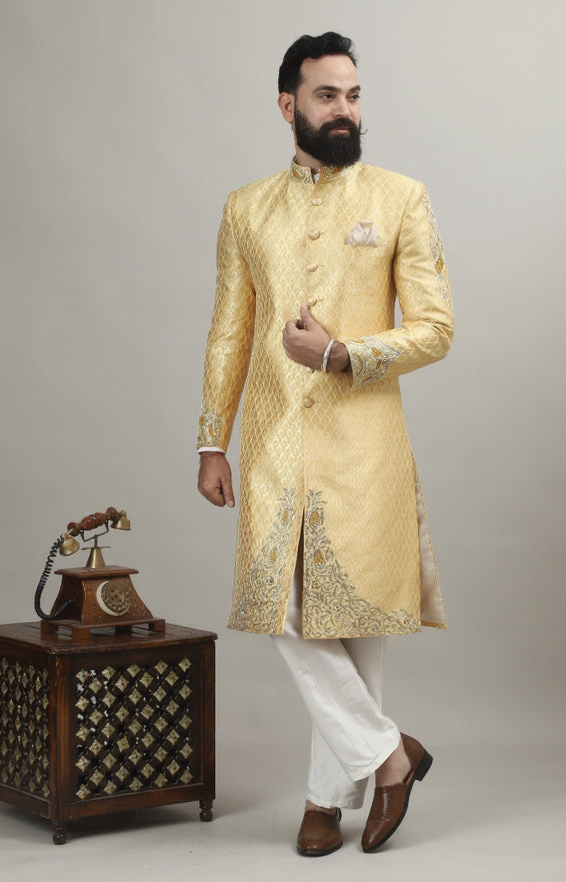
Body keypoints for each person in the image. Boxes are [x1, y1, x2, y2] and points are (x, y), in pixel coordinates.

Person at [196, 31, 453, 855]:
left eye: (352, 95)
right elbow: (229, 334)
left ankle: (321, 800)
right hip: (274, 444)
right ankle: (389, 756)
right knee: (290, 612)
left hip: (366, 441)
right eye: (325, 96)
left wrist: (345, 353)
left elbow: (437, 329)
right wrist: (212, 442)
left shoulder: (401, 197)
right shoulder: (246, 208)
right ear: (288, 104)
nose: (343, 110)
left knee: (357, 620)